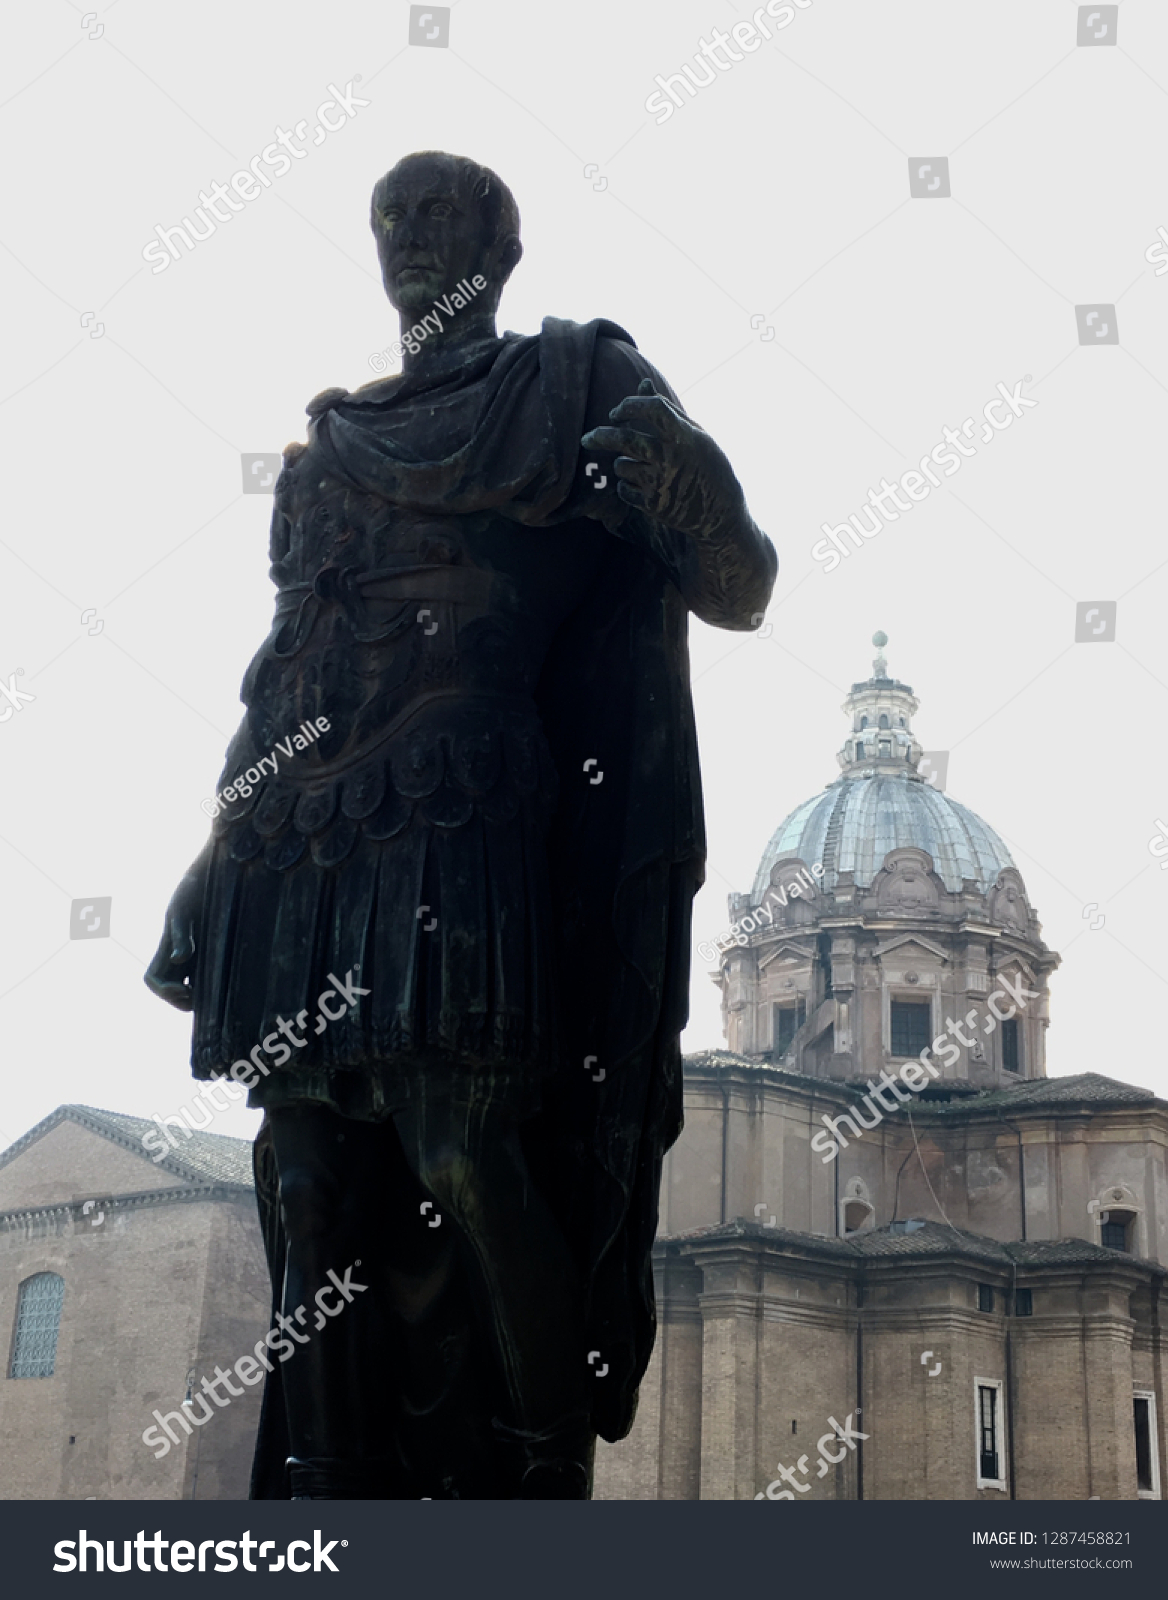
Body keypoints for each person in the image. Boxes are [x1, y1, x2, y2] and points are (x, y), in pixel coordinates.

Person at [146, 149, 777, 1499]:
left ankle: (535, 1485)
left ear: (502, 248)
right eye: (399, 219)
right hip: (304, 841)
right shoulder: (327, 453)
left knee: (465, 1151)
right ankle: (323, 1490)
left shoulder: (571, 382)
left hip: (462, 810)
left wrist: (685, 485)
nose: (421, 238)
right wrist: (209, 864)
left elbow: (738, 584)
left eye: (450, 217)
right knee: (303, 1174)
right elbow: (286, 671)